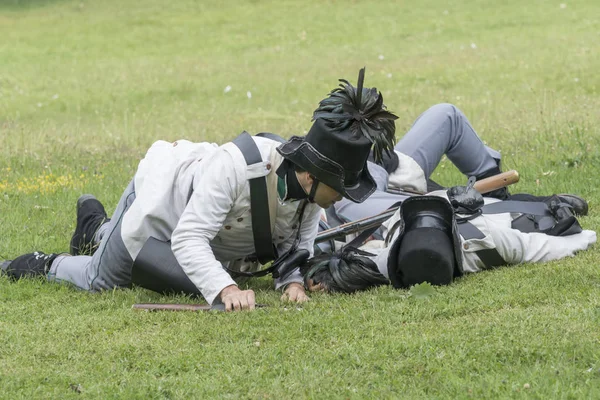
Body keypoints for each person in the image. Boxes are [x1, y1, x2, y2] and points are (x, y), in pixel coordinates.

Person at [1, 68, 398, 311]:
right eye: (342, 186)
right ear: (312, 175)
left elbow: (297, 243)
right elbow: (189, 238)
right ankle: (38, 262)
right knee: (99, 281)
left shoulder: (309, 190)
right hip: (158, 210)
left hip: (198, 233)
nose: (345, 195)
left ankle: (95, 228)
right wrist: (225, 286)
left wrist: (291, 282)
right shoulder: (234, 168)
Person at [325, 103, 588, 233]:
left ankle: (496, 194)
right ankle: (507, 210)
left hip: (376, 171)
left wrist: (370, 158)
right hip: (355, 201)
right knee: (435, 209)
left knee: (445, 115)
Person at [303, 192, 597, 294]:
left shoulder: (386, 262)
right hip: (496, 211)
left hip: (390, 215)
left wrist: (325, 276)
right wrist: (584, 234)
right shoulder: (486, 243)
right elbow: (552, 246)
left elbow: (348, 268)